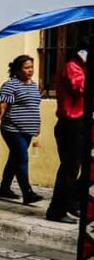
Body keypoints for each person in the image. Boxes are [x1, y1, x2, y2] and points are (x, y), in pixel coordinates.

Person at [47, 45, 88, 223]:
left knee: (82, 168)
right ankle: (57, 210)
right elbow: (81, 88)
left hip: (81, 123)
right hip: (71, 124)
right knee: (69, 169)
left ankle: (72, 202)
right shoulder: (73, 67)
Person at [0, 55, 43, 205]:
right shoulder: (11, 85)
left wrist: (37, 124)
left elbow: (34, 107)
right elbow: (3, 107)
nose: (30, 70)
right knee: (22, 157)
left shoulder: (34, 85)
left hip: (27, 129)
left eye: (31, 67)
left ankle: (4, 188)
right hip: (12, 128)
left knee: (15, 158)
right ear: (17, 70)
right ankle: (27, 192)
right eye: (26, 68)